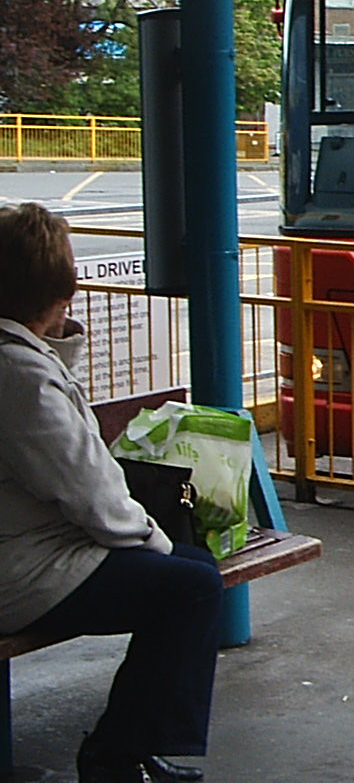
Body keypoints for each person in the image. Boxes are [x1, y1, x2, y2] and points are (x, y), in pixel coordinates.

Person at [0, 203, 223, 783]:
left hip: (23, 546)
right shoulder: (20, 378)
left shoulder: (19, 361)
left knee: (193, 572)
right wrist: (154, 540)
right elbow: (87, 488)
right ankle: (116, 755)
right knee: (192, 587)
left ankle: (132, 744)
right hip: (21, 569)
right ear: (52, 293)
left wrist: (51, 341)